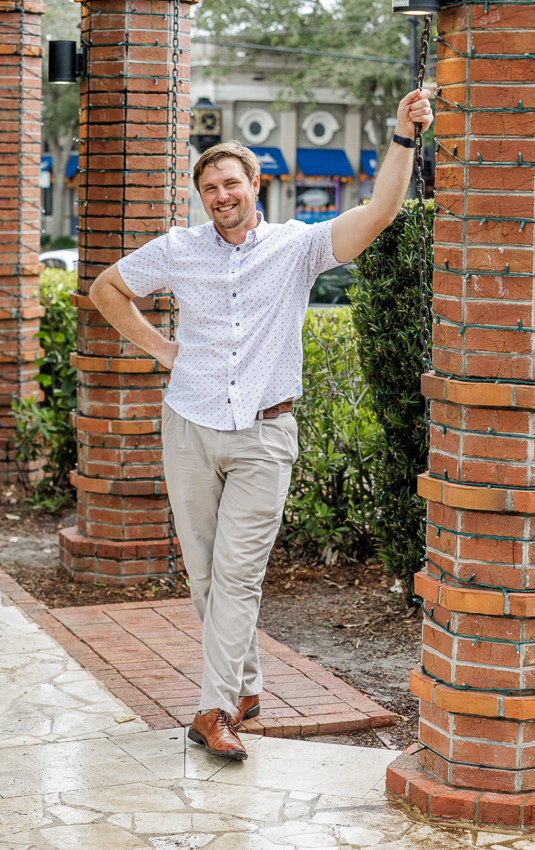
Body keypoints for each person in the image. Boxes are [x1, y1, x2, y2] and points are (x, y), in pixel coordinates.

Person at [89, 88, 433, 761]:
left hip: (264, 436)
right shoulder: (179, 249)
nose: (220, 196)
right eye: (209, 187)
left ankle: (214, 709)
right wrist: (161, 350)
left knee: (239, 575)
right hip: (189, 426)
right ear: (202, 195)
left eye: (230, 183)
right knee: (205, 577)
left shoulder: (297, 247)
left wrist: (401, 136)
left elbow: (380, 210)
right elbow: (107, 288)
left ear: (256, 183)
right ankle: (244, 685)